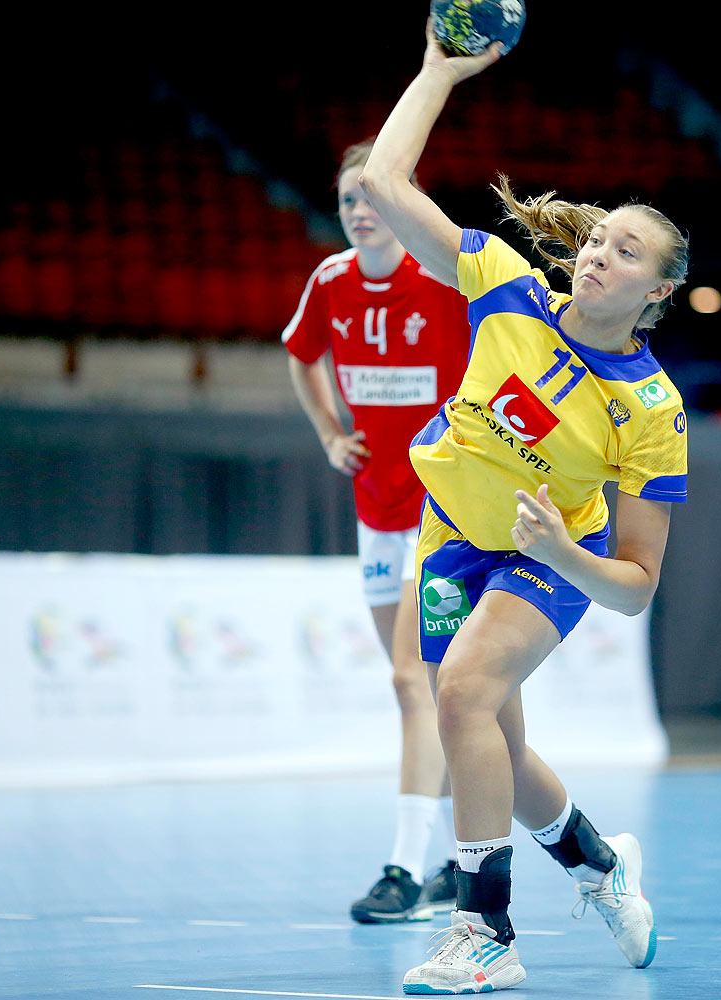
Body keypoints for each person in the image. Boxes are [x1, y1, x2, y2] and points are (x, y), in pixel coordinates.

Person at [358, 24, 690, 994]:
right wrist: (435, 71)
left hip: (554, 554)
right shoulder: (503, 287)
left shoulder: (650, 409)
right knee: (493, 739)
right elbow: (382, 185)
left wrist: (562, 550)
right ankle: (595, 862)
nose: (598, 255)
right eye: (596, 239)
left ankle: (486, 930)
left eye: (626, 252)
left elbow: (633, 588)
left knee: (457, 691)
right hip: (455, 536)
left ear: (658, 288)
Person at [282, 139, 472, 923]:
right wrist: (330, 431)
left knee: (410, 682)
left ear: (401, 199)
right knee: (432, 692)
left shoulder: (441, 282)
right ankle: (469, 859)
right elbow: (300, 356)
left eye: (370, 196)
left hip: (441, 508)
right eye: (346, 201)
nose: (359, 211)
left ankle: (401, 868)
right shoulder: (329, 282)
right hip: (375, 508)